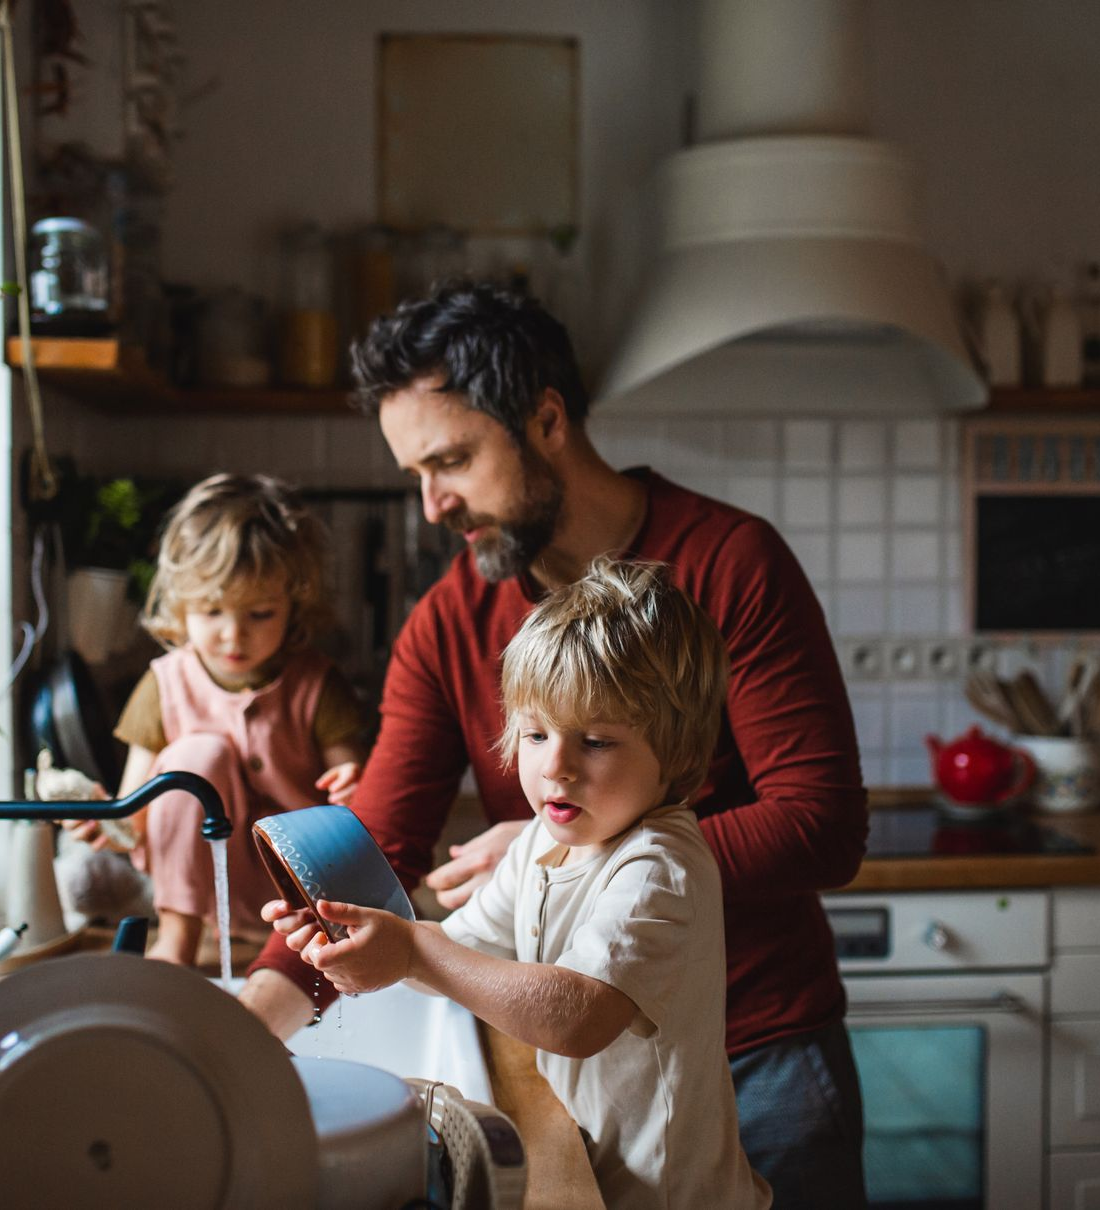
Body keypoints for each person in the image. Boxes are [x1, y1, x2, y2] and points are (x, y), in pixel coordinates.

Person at [246, 282, 868, 1207]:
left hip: (759, 1054)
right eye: (416, 472)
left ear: (545, 421)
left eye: (451, 459)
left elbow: (820, 821)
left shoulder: (731, 564)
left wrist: (584, 855)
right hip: (580, 1083)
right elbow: (370, 850)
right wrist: (251, 1024)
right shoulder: (450, 618)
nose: (432, 505)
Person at [273, 558, 771, 1210]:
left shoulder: (658, 868)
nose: (554, 766)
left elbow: (579, 1016)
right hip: (598, 1170)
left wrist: (416, 950)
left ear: (675, 754)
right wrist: (368, 946)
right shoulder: (544, 839)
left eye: (594, 741)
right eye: (535, 734)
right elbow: (463, 954)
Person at [67, 473, 369, 966]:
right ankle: (177, 941)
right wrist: (107, 818)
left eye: (260, 614)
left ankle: (292, 944)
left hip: (303, 891)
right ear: (182, 607)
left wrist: (354, 786)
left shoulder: (316, 684)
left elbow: (357, 789)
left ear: (294, 605)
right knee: (194, 757)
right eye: (211, 612)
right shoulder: (163, 684)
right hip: (203, 893)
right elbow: (134, 811)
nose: (234, 635)